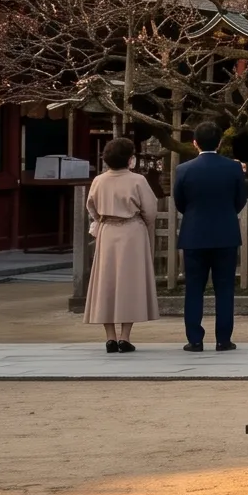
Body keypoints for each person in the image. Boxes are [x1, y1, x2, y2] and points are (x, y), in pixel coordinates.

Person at [173, 120, 248, 353]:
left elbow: (180, 202)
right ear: (220, 142)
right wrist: (227, 212)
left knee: (194, 288)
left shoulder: (184, 169)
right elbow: (241, 199)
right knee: (225, 288)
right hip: (225, 232)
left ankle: (195, 340)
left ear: (194, 143)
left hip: (194, 233)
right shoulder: (233, 168)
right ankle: (223, 339)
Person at [84, 137, 159, 353]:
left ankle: (110, 336)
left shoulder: (98, 180)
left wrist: (103, 220)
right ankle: (125, 336)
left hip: (107, 230)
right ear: (129, 159)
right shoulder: (138, 180)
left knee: (105, 282)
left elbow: (92, 207)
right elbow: (150, 210)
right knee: (129, 283)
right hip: (131, 231)